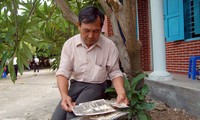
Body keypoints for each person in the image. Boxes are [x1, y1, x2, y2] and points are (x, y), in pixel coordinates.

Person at [52, 6, 129, 120]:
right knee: (57, 118)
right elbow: (63, 73)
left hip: (97, 86)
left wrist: (121, 93)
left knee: (73, 116)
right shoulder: (69, 45)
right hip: (76, 85)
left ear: (101, 27)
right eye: (86, 30)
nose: (91, 36)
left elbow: (115, 72)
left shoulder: (109, 46)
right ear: (79, 25)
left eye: (95, 31)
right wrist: (64, 96)